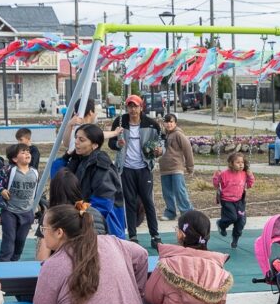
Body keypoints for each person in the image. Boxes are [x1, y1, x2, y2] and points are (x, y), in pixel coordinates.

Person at [110, 94, 164, 248]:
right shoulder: (120, 122)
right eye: (130, 106)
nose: (133, 109)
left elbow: (162, 141)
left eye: (136, 106)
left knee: (148, 201)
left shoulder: (151, 124)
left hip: (144, 167)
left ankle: (155, 236)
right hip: (126, 168)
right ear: (127, 107)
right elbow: (111, 142)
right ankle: (133, 236)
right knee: (130, 201)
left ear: (141, 108)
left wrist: (160, 150)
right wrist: (118, 144)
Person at [35, 169, 107, 260]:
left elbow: (42, 258)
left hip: (64, 265)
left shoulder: (51, 216)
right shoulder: (96, 214)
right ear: (77, 189)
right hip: (99, 263)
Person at [69, 124, 126, 238]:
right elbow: (57, 175)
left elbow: (103, 202)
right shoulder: (79, 160)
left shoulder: (101, 166)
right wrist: (66, 156)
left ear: (94, 145)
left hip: (103, 227)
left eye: (81, 140)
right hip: (87, 221)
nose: (76, 142)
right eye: (76, 138)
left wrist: (80, 216)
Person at [0, 143, 39, 262]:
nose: (27, 154)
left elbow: (35, 190)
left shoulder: (34, 172)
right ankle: (4, 262)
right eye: (23, 152)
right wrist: (1, 190)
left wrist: (37, 205)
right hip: (10, 211)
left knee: (20, 240)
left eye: (28, 152)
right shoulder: (9, 170)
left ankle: (14, 261)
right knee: (9, 239)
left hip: (27, 212)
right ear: (15, 159)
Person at [213, 152, 255, 249]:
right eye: (238, 162)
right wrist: (216, 176)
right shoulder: (224, 174)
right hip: (227, 200)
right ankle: (221, 225)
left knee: (241, 221)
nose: (241, 164)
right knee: (232, 217)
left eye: (242, 162)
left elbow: (250, 185)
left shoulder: (244, 174)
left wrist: (250, 176)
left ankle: (235, 239)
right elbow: (216, 185)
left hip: (239, 201)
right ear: (231, 163)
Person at [158, 113, 195, 220]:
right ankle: (170, 212)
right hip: (164, 168)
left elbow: (188, 149)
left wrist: (190, 166)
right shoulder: (162, 135)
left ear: (175, 123)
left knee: (179, 191)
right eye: (166, 122)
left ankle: (187, 212)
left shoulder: (178, 134)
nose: (169, 124)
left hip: (176, 168)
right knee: (167, 193)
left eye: (171, 122)